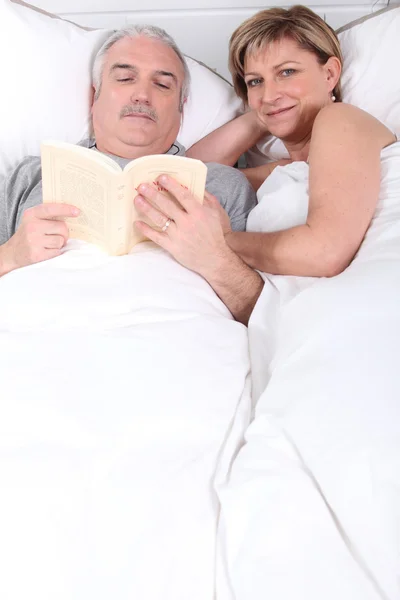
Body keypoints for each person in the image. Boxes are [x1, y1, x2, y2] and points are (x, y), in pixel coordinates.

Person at [0, 25, 263, 325]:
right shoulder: (33, 174)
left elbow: (265, 315)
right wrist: (11, 255)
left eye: (163, 85)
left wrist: (215, 261)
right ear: (94, 97)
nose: (142, 94)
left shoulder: (221, 186)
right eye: (125, 78)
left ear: (181, 108)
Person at [175, 5, 397, 278]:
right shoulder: (285, 170)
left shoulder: (341, 120)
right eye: (255, 81)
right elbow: (190, 176)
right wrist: (259, 116)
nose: (269, 93)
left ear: (329, 74)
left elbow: (324, 253)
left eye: (287, 72)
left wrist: (219, 241)